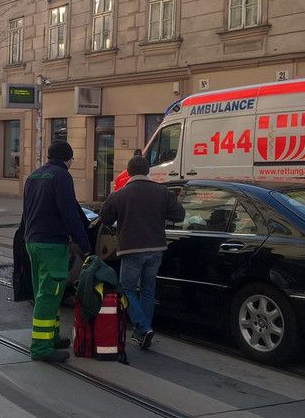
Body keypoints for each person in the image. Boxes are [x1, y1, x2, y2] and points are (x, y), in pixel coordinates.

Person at [98, 155, 184, 350]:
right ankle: (141, 332)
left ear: (129, 172)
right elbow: (179, 215)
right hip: (156, 248)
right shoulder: (162, 192)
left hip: (131, 249)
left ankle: (143, 327)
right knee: (148, 290)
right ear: (147, 171)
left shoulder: (120, 194)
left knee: (126, 288)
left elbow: (104, 218)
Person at [22, 139, 91, 363]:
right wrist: (85, 245)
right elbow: (69, 212)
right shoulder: (62, 176)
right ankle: (41, 347)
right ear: (67, 158)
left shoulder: (34, 176)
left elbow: (28, 210)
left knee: (44, 292)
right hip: (52, 243)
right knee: (50, 294)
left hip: (32, 240)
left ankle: (52, 336)